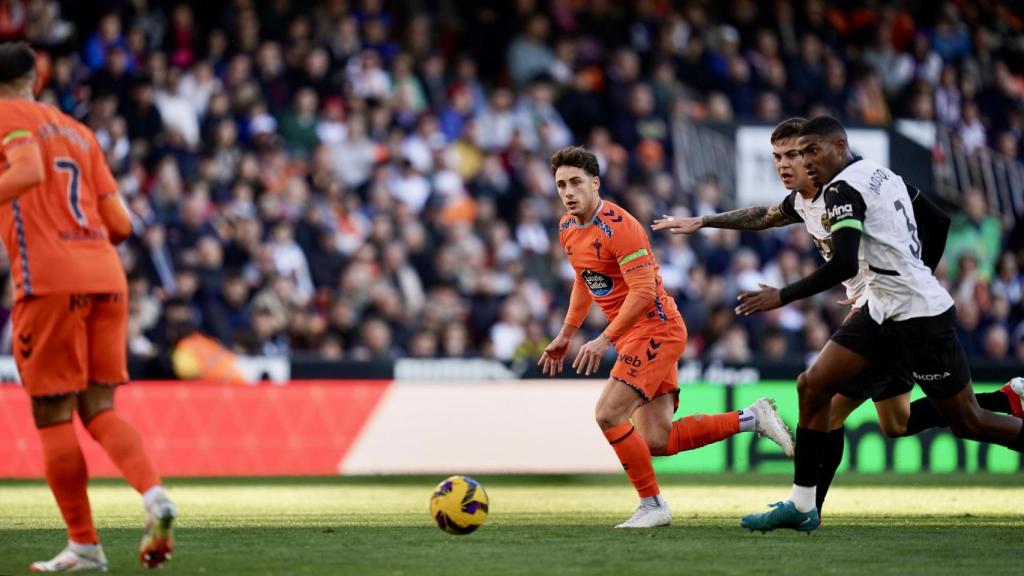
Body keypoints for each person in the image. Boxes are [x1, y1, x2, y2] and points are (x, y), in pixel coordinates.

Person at [651, 117, 1024, 517]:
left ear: (828, 149)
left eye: (798, 153)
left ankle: (806, 507)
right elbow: (765, 215)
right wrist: (706, 220)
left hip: (897, 314)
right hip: (884, 310)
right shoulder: (818, 196)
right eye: (779, 156)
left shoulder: (842, 191)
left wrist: (902, 277)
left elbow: (858, 256)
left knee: (825, 401)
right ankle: (1003, 398)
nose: (788, 164)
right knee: (896, 423)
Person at [538, 146, 794, 529]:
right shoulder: (566, 228)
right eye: (561, 184)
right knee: (656, 440)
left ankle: (653, 505)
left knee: (608, 413)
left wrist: (603, 339)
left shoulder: (620, 227)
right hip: (633, 336)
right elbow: (584, 280)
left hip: (656, 328)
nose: (568, 191)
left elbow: (642, 293)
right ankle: (751, 417)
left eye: (576, 182)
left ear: (595, 183)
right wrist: (566, 333)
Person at [0, 42, 176, 571]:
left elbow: (27, 170)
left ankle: (84, 544)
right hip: (106, 276)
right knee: (99, 409)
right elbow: (122, 225)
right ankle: (155, 497)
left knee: (52, 414)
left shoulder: (4, 115)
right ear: (37, 76)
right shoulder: (80, 132)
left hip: (50, 282)